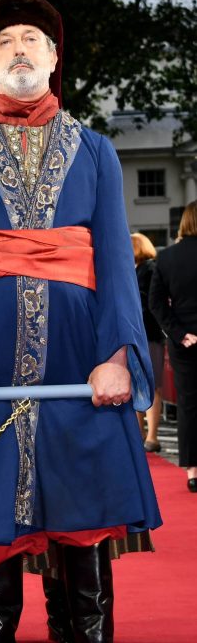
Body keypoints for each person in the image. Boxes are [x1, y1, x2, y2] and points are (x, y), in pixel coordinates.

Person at [0, 0, 161, 643]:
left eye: (35, 39)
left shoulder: (96, 149)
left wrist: (119, 354)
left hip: (80, 360)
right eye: (8, 43)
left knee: (88, 506)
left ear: (56, 59)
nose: (22, 50)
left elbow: (117, 265)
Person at [150, 202, 197, 492]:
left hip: (184, 343)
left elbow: (155, 303)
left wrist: (180, 334)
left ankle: (193, 471)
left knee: (189, 407)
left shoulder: (167, 258)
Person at [132, 232, 165, 453]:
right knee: (137, 384)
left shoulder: (150, 269)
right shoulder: (135, 270)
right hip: (138, 334)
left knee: (152, 385)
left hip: (149, 334)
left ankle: (152, 435)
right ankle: (140, 434)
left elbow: (152, 302)